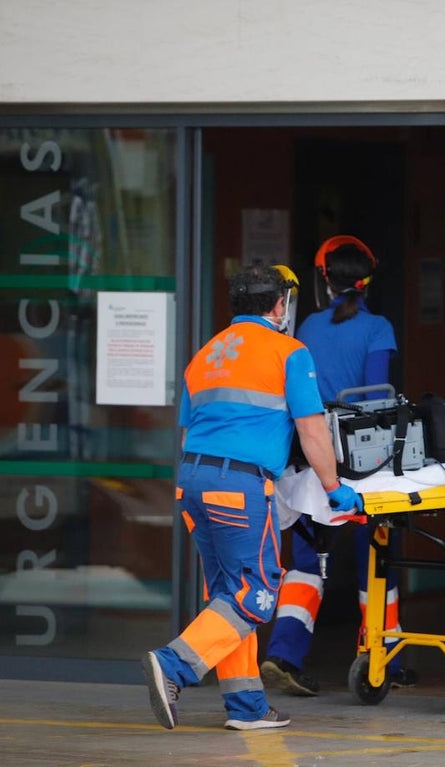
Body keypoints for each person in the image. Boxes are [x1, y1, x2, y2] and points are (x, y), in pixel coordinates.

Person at [140, 264, 362, 732]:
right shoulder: (290, 351)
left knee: (227, 593)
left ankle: (247, 707)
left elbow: (188, 432)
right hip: (240, 486)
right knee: (257, 594)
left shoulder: (205, 355)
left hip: (191, 481)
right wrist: (333, 488)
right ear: (279, 305)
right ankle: (174, 664)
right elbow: (312, 428)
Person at [260, 235, 418, 696]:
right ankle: (383, 659)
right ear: (367, 282)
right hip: (361, 458)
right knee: (376, 557)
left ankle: (284, 654)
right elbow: (377, 397)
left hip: (310, 456)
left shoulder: (306, 325)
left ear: (322, 279)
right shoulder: (378, 328)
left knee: (306, 563)